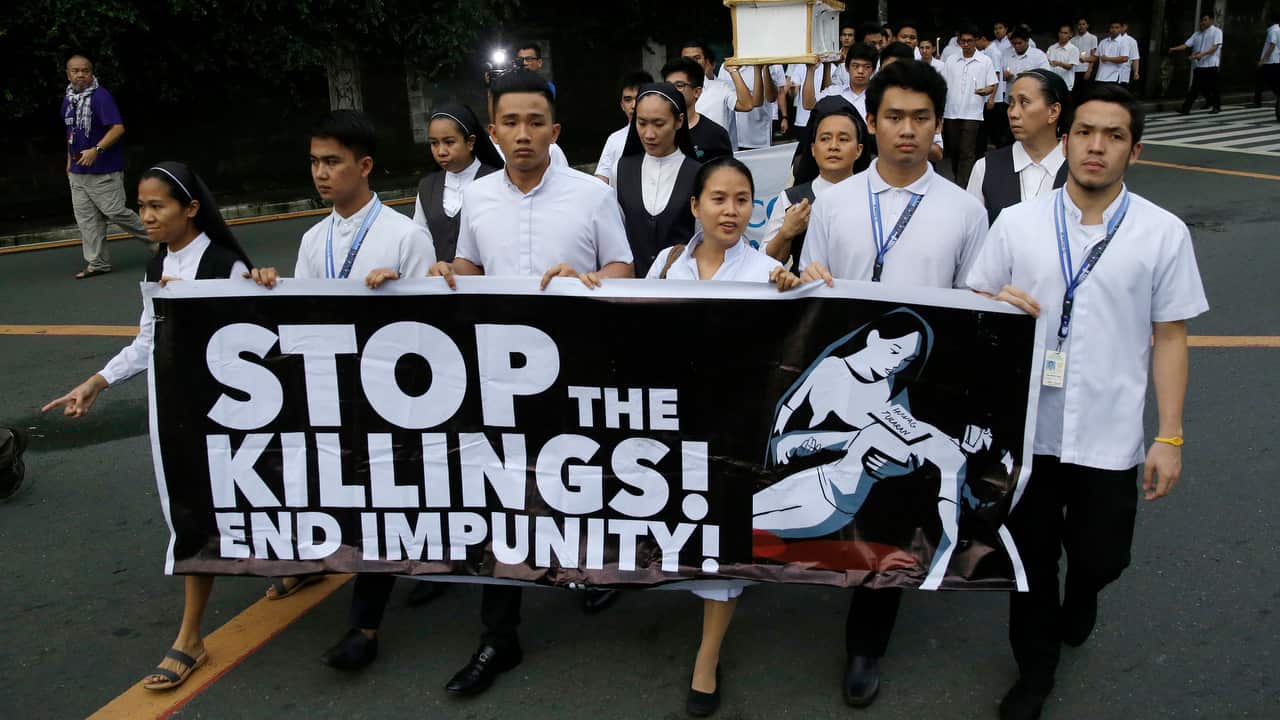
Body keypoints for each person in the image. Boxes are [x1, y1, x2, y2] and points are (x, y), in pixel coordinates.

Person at [965, 82, 1208, 720]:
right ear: (1066, 137)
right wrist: (994, 306)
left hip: (1110, 433)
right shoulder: (1017, 223)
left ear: (1135, 150)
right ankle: (1034, 674)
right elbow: (974, 307)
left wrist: (1171, 435)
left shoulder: (1163, 233)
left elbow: (1171, 335)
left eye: (1115, 135)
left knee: (1103, 556)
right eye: (1085, 132)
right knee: (1031, 564)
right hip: (1028, 434)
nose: (1097, 146)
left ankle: (1087, 594)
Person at [426, 70, 634, 695]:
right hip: (495, 375)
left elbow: (625, 267)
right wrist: (445, 270)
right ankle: (499, 636)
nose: (523, 134)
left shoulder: (591, 195)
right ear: (492, 132)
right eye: (510, 123)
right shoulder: (479, 197)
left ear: (555, 130)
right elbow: (470, 264)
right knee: (501, 500)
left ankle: (589, 575)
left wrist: (588, 278)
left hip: (575, 369)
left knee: (577, 481)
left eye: (535, 122)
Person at [794, 59, 989, 709]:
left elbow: (973, 309)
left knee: (886, 510)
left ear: (938, 125)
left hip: (915, 393)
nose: (907, 130)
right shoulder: (835, 203)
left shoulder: (964, 210)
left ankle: (865, 644)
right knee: (829, 496)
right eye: (894, 117)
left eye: (921, 118)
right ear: (870, 122)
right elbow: (813, 294)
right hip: (842, 382)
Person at [43, 161, 254, 691]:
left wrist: (261, 287)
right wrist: (97, 381)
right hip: (178, 414)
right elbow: (147, 341)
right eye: (141, 206)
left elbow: (255, 338)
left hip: (226, 416)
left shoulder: (224, 264)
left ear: (190, 208)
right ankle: (209, 623)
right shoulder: (154, 264)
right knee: (197, 509)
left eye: (157, 205)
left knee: (226, 504)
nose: (146, 215)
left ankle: (190, 638)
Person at [641, 157, 801, 716]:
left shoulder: (765, 272)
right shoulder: (663, 266)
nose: (730, 211)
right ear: (695, 205)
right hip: (669, 427)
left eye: (742, 200)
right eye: (718, 198)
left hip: (732, 431)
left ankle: (706, 657)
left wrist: (795, 289)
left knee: (723, 540)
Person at [61, 53, 154, 279]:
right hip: (78, 171)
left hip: (103, 170)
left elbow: (117, 128)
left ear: (91, 72)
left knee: (115, 211)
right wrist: (68, 162)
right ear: (68, 74)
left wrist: (97, 150)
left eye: (85, 70)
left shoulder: (100, 97)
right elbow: (70, 132)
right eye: (76, 71)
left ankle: (160, 241)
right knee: (87, 220)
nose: (81, 75)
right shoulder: (68, 100)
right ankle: (97, 263)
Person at [764, 97, 866, 268]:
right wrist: (786, 233)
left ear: (859, 149)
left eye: (843, 139)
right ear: (813, 149)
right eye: (825, 139)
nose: (833, 146)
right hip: (806, 291)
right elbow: (765, 264)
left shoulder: (873, 197)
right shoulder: (792, 199)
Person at [613, 83, 701, 276]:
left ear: (679, 121)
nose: (649, 134)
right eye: (642, 123)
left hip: (681, 288)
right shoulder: (621, 169)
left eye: (659, 124)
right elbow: (614, 232)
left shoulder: (698, 174)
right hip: (631, 288)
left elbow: (702, 239)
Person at [968, 69, 1071, 223]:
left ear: (1053, 111)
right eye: (1011, 103)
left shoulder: (1079, 170)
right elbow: (972, 236)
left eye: (1024, 102)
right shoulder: (986, 168)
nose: (1013, 113)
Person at [413, 103, 504, 265]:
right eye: (434, 143)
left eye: (449, 142)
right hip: (439, 285)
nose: (441, 151)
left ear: (470, 142)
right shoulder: (427, 187)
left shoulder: (498, 181)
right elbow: (419, 241)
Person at [943, 24, 999, 186]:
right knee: (954, 150)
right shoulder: (951, 59)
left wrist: (986, 92)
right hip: (951, 112)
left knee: (966, 152)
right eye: (962, 41)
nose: (965, 44)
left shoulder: (985, 61)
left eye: (969, 41)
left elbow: (992, 84)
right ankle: (957, 179)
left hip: (972, 113)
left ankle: (963, 185)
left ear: (976, 41)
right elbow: (944, 84)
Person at [681, 41, 757, 149]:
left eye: (697, 58)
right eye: (686, 59)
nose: (691, 63)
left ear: (706, 62)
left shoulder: (722, 87)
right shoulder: (674, 90)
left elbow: (747, 105)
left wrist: (733, 71)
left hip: (720, 158)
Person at [663, 58, 733, 162]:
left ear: (697, 92)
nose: (672, 91)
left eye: (679, 86)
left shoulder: (715, 135)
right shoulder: (656, 130)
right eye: (668, 85)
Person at [595, 71, 654, 183]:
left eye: (638, 98)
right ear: (622, 105)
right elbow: (602, 180)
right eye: (628, 100)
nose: (633, 105)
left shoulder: (664, 135)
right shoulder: (614, 139)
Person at [1171, 14, 1225, 115]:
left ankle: (1216, 107)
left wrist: (1201, 55)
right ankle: (1185, 109)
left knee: (1213, 87)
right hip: (1199, 65)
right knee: (1195, 88)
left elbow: (1214, 47)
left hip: (1211, 64)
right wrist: (1173, 49)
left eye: (1205, 20)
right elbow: (1186, 45)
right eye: (1202, 20)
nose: (1202, 22)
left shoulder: (1217, 32)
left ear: (1211, 20)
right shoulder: (1197, 34)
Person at [717, 62, 776, 150]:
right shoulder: (726, 66)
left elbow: (771, 98)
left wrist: (763, 68)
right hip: (733, 136)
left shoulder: (765, 64)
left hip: (757, 136)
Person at [979, 28, 1012, 150]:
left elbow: (996, 75)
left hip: (994, 98)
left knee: (996, 129)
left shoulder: (994, 52)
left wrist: (992, 97)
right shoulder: (986, 51)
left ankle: (1002, 151)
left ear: (982, 39)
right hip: (988, 96)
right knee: (989, 127)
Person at [1092, 21, 1131, 85]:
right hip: (1100, 77)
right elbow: (1095, 57)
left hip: (1113, 77)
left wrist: (1108, 59)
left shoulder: (1124, 42)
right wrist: (1084, 59)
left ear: (1121, 29)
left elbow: (1124, 59)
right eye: (1112, 27)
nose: (1114, 30)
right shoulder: (1103, 42)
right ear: (1109, 29)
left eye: (1117, 27)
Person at [1258, 13, 1280, 120]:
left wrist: (1263, 60)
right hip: (1275, 61)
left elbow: (1272, 45)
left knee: (1269, 81)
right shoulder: (1278, 29)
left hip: (1271, 62)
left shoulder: (1273, 30)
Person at [1047, 24, 1082, 91]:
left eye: (1065, 33)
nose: (1062, 35)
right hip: (1052, 84)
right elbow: (1047, 62)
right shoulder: (1051, 48)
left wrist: (1059, 63)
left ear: (1070, 35)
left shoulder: (1074, 49)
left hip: (1066, 84)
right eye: (1061, 32)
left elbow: (1070, 66)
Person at [1073, 18, 1099, 99]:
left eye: (1083, 24)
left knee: (1086, 94)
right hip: (1075, 70)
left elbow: (1093, 56)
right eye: (1079, 24)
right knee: (1076, 94)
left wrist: (1089, 70)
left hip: (1086, 69)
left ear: (1087, 26)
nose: (1081, 26)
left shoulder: (1092, 38)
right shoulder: (1073, 40)